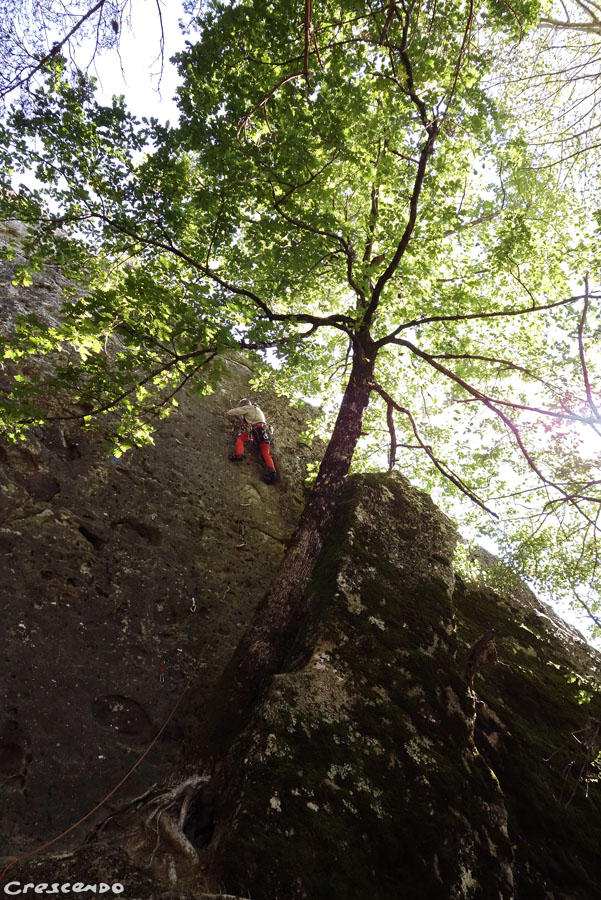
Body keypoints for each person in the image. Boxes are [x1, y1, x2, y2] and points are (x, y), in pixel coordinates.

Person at [226, 398, 277, 484]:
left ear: (244, 405)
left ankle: (238, 454)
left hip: (257, 430)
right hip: (265, 432)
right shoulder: (258, 410)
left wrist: (235, 413)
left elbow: (230, 412)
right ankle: (272, 473)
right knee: (265, 453)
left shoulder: (247, 408)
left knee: (240, 439)